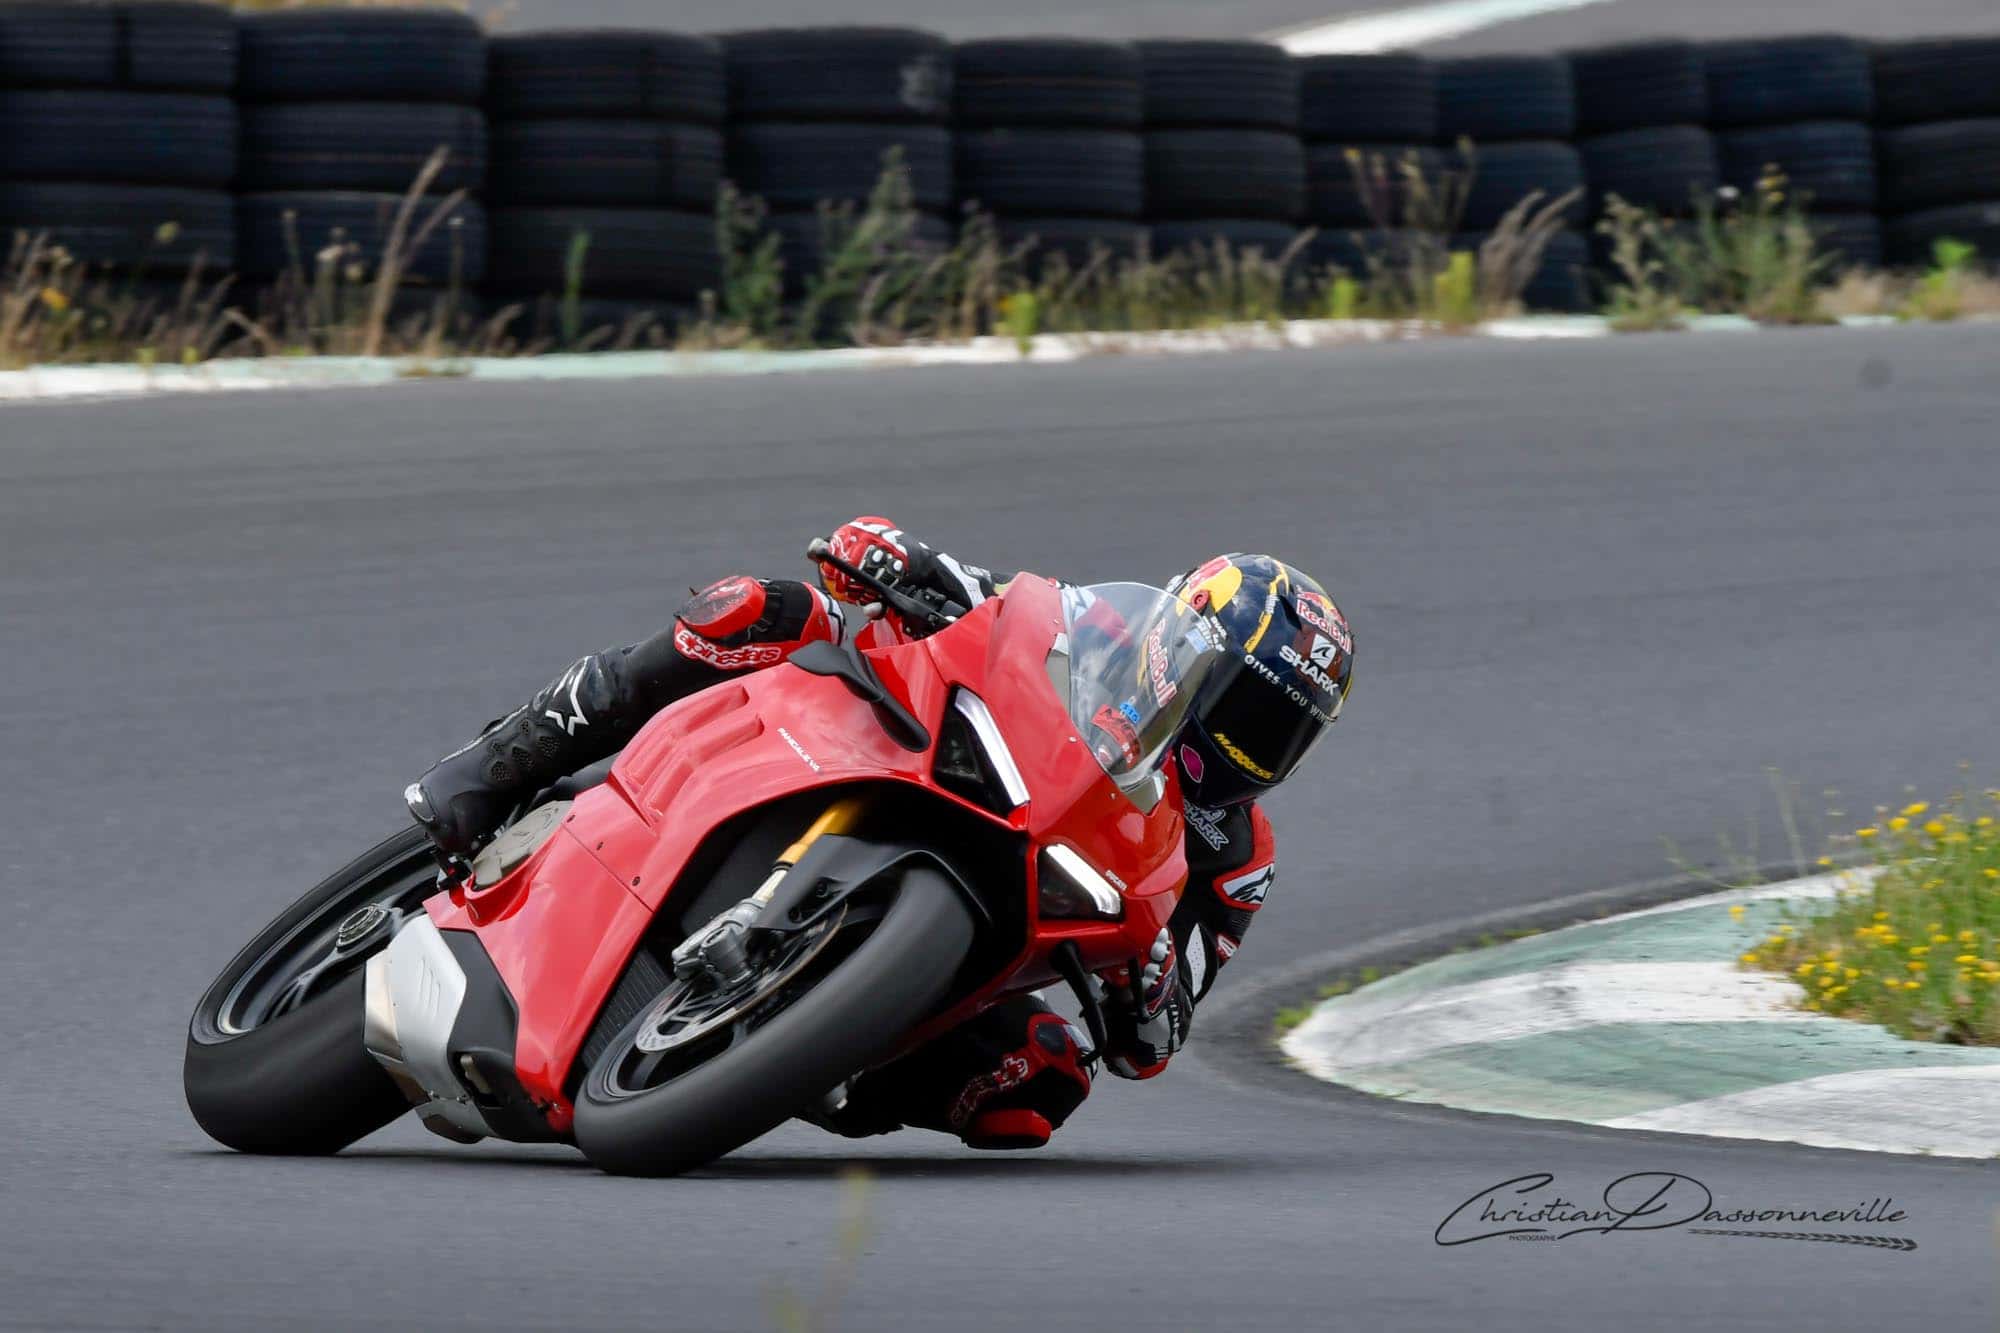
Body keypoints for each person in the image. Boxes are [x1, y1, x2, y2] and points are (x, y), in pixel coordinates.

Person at [405, 518, 1353, 1150]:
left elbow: (1156, 1042)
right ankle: (502, 761)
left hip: (1011, 917)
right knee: (766, 610)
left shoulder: (1239, 859)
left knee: (1039, 1084)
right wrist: (899, 557)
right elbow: (985, 600)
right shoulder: (1101, 629)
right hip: (919, 754)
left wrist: (1151, 984)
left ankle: (809, 1057)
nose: (1243, 744)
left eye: (1278, 734)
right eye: (1238, 704)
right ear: (1178, 642)